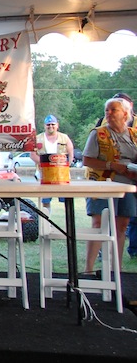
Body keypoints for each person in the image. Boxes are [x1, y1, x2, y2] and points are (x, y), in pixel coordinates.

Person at [81, 96, 137, 273]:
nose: (109, 113)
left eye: (114, 110)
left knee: (122, 225)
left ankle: (116, 269)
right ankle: (88, 269)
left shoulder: (134, 134)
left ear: (125, 114)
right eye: (107, 110)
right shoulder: (98, 133)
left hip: (127, 185)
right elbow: (86, 160)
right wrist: (112, 165)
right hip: (101, 184)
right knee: (99, 223)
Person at [30, 114, 74, 214]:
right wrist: (45, 164)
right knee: (45, 200)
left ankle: (67, 220)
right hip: (43, 174)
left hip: (62, 175)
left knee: (66, 200)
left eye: (53, 124)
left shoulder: (64, 138)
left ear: (57, 125)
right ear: (44, 126)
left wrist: (67, 166)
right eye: (48, 124)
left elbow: (71, 154)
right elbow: (32, 155)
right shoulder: (37, 138)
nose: (50, 126)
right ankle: (46, 220)